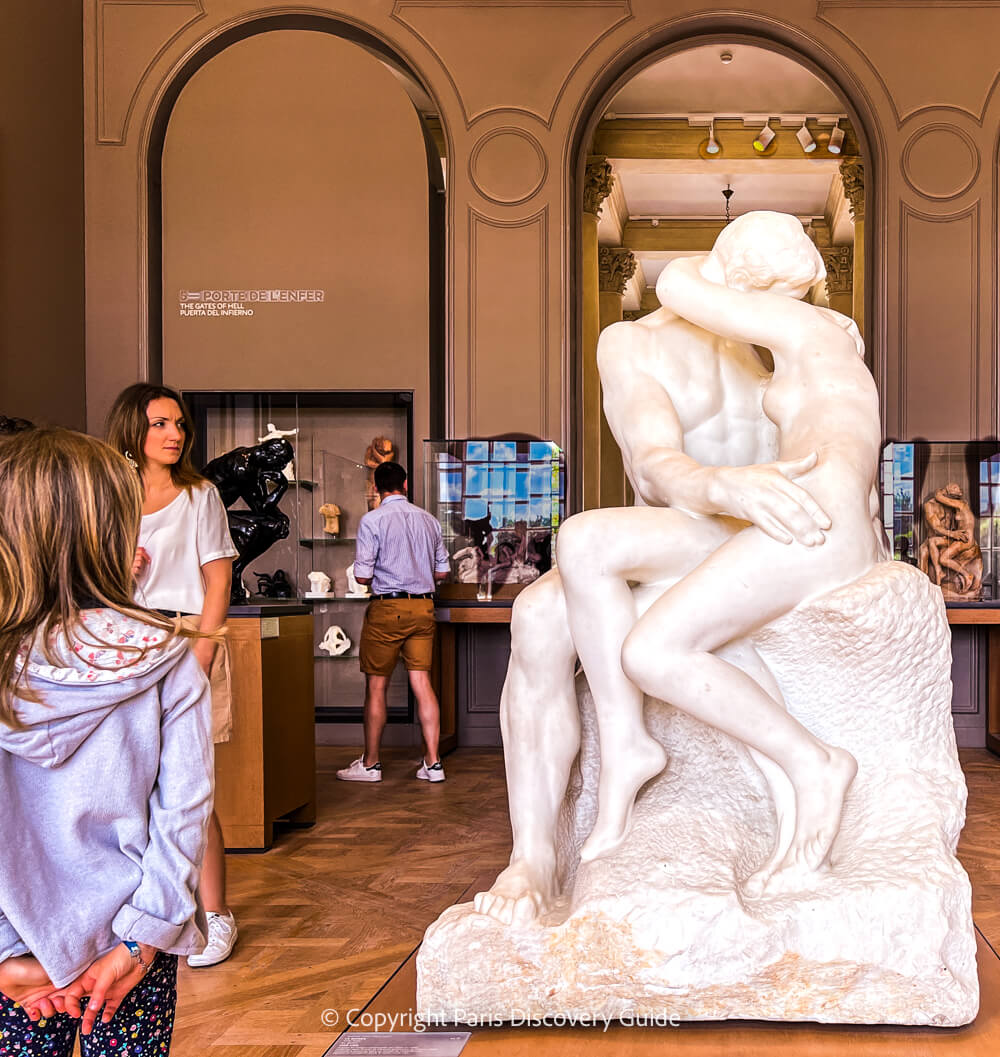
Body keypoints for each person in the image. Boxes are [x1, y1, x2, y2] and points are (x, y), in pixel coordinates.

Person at [473, 220, 853, 927]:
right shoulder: (634, 342)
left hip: (769, 543)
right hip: (685, 525)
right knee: (536, 615)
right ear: (740, 284)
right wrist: (727, 487)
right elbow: (652, 461)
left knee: (583, 559)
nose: (789, 313)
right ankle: (533, 855)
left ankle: (632, 751)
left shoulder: (792, 341)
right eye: (784, 297)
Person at [558, 212, 882, 892]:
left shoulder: (801, 330)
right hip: (815, 514)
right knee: (614, 593)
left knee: (650, 649)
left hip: (812, 520)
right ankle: (643, 749)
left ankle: (813, 762)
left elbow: (677, 281)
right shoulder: (815, 340)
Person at [0, 427, 213, 1052]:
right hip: (128, 958)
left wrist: (14, 959)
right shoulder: (169, 657)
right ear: (113, 535)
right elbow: (185, 811)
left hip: (14, 959)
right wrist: (139, 941)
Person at [106, 383, 240, 968]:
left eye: (179, 424)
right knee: (128, 784)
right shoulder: (106, 493)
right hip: (122, 643)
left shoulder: (199, 495)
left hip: (187, 639)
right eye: (160, 423)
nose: (175, 434)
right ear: (131, 430)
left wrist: (203, 651)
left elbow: (218, 579)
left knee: (192, 787)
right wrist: (118, 564)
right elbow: (86, 578)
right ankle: (144, 911)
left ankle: (216, 915)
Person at [337, 461, 450, 783]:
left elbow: (362, 576)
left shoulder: (373, 520)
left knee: (376, 686)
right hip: (424, 608)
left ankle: (371, 764)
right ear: (406, 484)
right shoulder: (428, 520)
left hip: (387, 609)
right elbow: (442, 572)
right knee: (422, 684)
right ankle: (433, 762)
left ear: (376, 487)